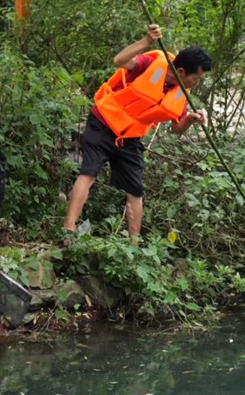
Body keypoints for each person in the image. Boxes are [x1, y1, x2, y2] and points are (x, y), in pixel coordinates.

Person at [63, 25, 211, 244]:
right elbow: (119, 60)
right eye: (196, 78)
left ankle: (134, 245)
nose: (196, 83)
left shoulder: (181, 92)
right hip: (104, 123)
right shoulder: (151, 64)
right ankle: (69, 230)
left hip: (129, 137)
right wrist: (146, 41)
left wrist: (190, 119)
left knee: (136, 190)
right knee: (89, 173)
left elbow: (176, 129)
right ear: (181, 72)